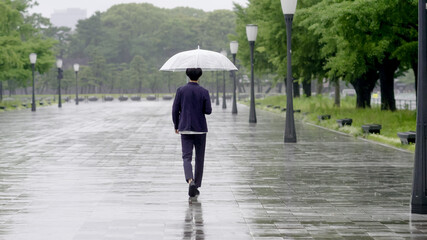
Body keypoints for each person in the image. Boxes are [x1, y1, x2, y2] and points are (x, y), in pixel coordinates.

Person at [172, 68, 212, 197]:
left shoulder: (181, 90)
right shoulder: (204, 91)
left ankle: (190, 180)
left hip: (185, 128)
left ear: (187, 75)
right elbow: (208, 111)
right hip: (200, 129)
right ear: (199, 76)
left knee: (186, 157)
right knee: (200, 158)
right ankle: (197, 185)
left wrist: (176, 125)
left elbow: (175, 109)